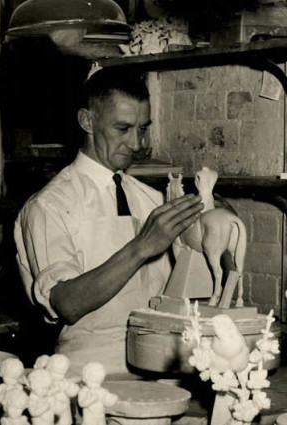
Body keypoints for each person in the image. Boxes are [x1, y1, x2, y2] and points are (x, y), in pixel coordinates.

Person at [14, 69, 204, 377]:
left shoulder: (150, 197)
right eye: (122, 129)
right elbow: (66, 304)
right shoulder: (49, 206)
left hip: (163, 365)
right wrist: (142, 246)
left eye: (143, 129)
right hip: (90, 373)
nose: (137, 144)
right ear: (87, 121)